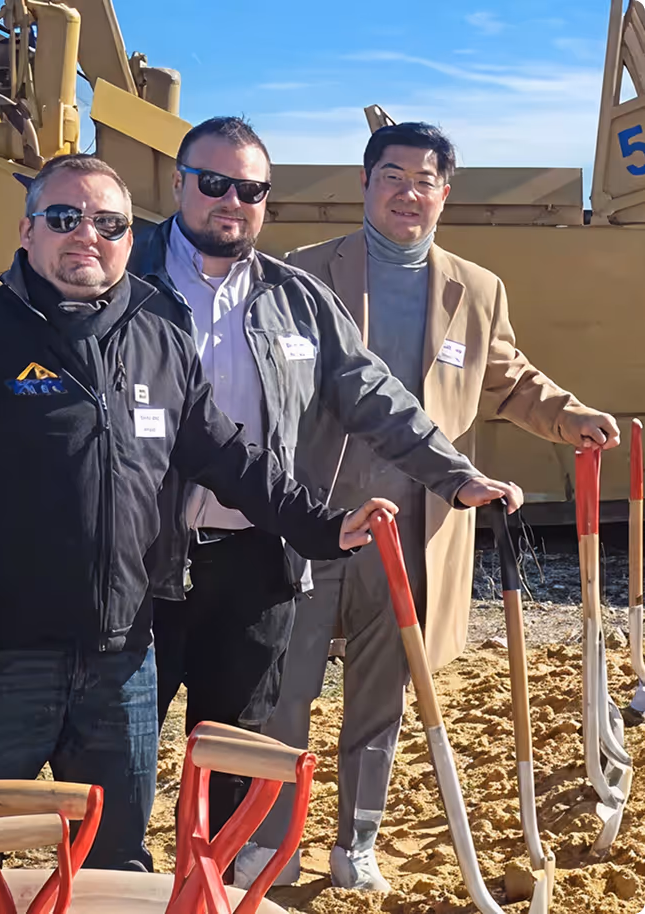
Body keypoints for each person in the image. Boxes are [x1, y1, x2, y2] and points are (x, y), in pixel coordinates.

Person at [0, 153, 404, 872]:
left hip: (121, 660)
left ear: (132, 238)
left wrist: (323, 525)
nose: (87, 236)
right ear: (26, 231)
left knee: (113, 859)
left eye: (109, 223)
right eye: (65, 218)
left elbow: (227, 453)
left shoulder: (158, 330)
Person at [242, 121, 620, 891]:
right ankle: (265, 840)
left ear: (446, 192)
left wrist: (571, 416)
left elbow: (509, 382)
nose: (407, 192)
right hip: (315, 524)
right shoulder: (304, 274)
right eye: (392, 175)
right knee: (286, 692)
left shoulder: (476, 290)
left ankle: (357, 844)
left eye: (424, 179)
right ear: (365, 183)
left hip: (417, 532)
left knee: (381, 698)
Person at [129, 116, 523, 846]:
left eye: (249, 188)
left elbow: (371, 393)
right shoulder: (126, 280)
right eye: (213, 183)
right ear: (180, 184)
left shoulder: (292, 296)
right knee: (122, 756)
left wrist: (455, 475)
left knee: (234, 756)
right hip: (141, 565)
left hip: (256, 563)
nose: (230, 200)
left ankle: (219, 877)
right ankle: (114, 878)